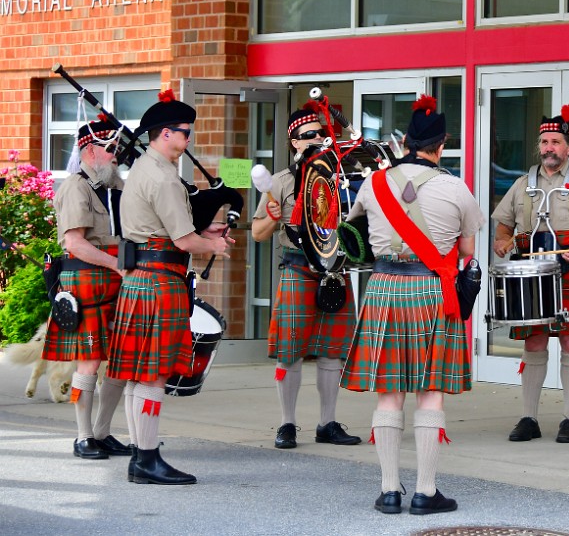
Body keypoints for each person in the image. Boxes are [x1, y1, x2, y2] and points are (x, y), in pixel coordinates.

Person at [341, 95, 483, 515]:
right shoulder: (456, 187)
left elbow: (355, 235)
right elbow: (467, 253)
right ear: (442, 145)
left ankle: (388, 491)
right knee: (430, 393)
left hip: (384, 287)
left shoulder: (373, 183)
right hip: (431, 293)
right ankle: (424, 491)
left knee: (389, 394)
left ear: (404, 140)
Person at [107, 90, 232, 485]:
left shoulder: (145, 169)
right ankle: (146, 458)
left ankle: (140, 456)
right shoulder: (162, 177)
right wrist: (215, 244)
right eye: (184, 132)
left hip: (142, 278)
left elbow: (170, 227)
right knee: (155, 374)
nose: (188, 138)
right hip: (160, 280)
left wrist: (204, 229)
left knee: (139, 374)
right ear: (164, 134)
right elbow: (182, 240)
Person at [491, 105, 569, 444]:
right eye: (544, 141)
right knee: (534, 341)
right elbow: (503, 227)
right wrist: (502, 243)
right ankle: (529, 418)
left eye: (555, 141)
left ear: (568, 147)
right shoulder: (521, 184)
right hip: (530, 269)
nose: (549, 147)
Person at [250, 106, 362, 450]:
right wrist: (271, 216)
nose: (317, 140)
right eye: (309, 135)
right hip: (298, 267)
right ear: (294, 142)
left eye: (320, 133)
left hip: (335, 270)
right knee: (290, 352)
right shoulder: (282, 181)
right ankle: (287, 424)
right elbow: (257, 233)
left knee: (332, 352)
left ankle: (327, 423)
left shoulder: (341, 176)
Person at [44, 119, 132, 461]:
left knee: (122, 360)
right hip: (87, 281)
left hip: (117, 280)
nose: (116, 156)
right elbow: (75, 243)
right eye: (110, 149)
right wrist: (115, 266)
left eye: (117, 150)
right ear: (89, 150)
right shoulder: (75, 188)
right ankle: (83, 437)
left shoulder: (117, 188)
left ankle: (103, 432)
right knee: (90, 362)